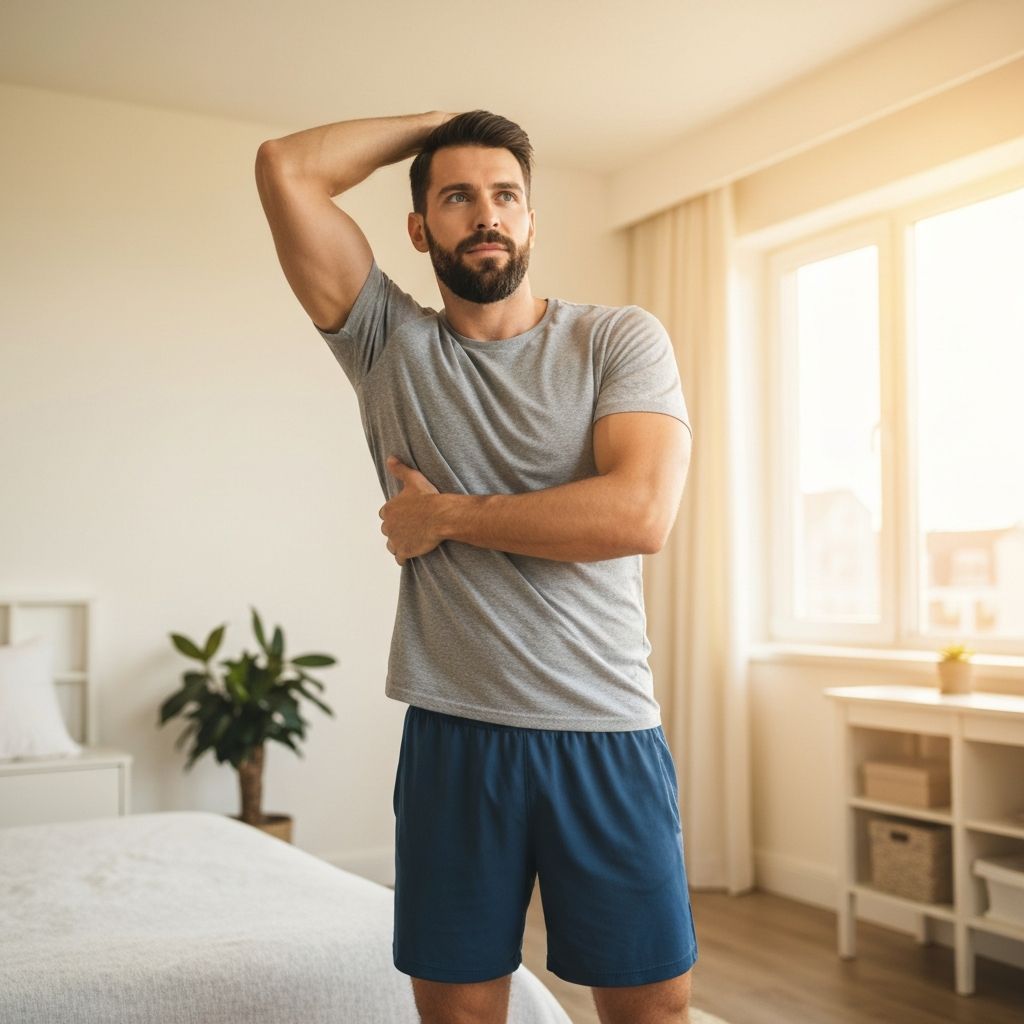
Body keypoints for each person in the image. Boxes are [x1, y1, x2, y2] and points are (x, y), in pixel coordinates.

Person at [255, 110, 697, 1024]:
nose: (485, 214)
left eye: (506, 196)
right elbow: (285, 168)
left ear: (531, 222)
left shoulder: (617, 341)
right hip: (457, 734)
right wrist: (440, 121)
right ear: (419, 229)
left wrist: (441, 516)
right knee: (458, 1013)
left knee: (652, 1009)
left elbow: (638, 513)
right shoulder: (387, 343)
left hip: (605, 728)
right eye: (456, 197)